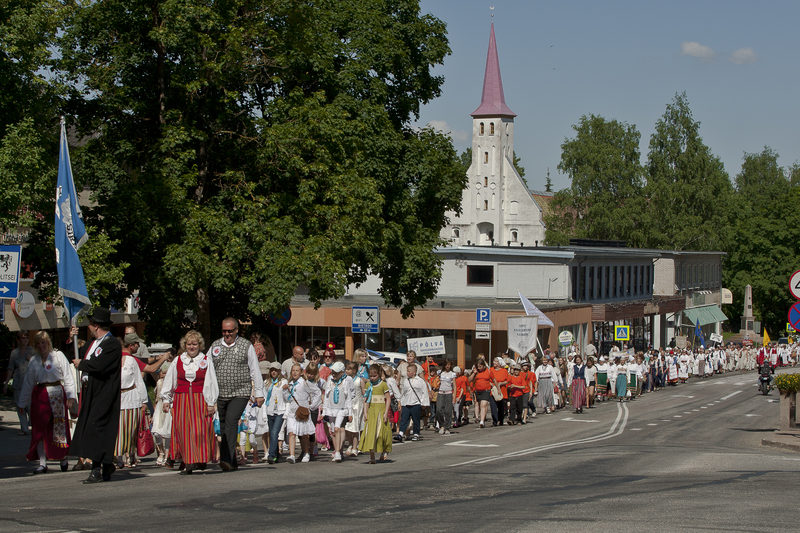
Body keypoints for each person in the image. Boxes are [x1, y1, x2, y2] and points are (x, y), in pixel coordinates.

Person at [69, 307, 122, 484]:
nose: (89, 327)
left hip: (105, 391)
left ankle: (97, 468)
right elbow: (77, 356)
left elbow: (100, 365)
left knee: (97, 428)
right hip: (91, 389)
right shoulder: (94, 343)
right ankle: (106, 464)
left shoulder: (112, 344)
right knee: (92, 427)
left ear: (96, 326)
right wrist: (72, 338)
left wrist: (82, 364)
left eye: (90, 324)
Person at [17, 331, 77, 474]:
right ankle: (42, 463)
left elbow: (68, 377)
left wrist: (70, 396)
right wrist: (21, 404)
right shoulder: (34, 360)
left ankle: (62, 457)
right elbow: (28, 383)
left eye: (43, 342)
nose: (41, 346)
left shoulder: (58, 356)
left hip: (57, 392)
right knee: (39, 429)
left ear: (48, 343)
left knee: (58, 427)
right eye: (38, 343)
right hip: (40, 395)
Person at [209, 317, 264, 472]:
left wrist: (259, 393)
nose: (227, 334)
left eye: (230, 331)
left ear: (236, 330)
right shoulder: (215, 346)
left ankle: (225, 458)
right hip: (221, 392)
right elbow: (208, 368)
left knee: (232, 421)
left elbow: (255, 370)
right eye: (224, 331)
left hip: (240, 391)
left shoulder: (246, 345)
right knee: (224, 424)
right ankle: (232, 460)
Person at [160, 330, 218, 474]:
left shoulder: (205, 360)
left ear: (200, 345)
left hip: (199, 399)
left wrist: (211, 402)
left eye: (195, 344)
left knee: (200, 430)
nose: (192, 347)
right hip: (182, 399)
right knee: (184, 430)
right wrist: (166, 399)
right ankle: (188, 461)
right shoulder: (178, 360)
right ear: (184, 345)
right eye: (189, 344)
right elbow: (170, 381)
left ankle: (201, 458)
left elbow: (210, 382)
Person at [116, 334, 149, 468]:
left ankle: (131, 456)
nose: (139, 346)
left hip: (131, 397)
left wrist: (143, 401)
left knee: (131, 428)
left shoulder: (132, 361)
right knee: (119, 430)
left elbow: (138, 381)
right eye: (137, 344)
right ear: (131, 345)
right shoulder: (115, 359)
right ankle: (119, 457)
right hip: (118, 398)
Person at [283, 363, 321, 464]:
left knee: (304, 434)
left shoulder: (305, 383)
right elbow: (287, 398)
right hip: (292, 411)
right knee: (291, 433)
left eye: (297, 371)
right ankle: (291, 455)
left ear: (301, 373)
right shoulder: (290, 383)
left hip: (302, 412)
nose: (295, 372)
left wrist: (312, 406)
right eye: (293, 371)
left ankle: (307, 453)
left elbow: (317, 392)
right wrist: (285, 390)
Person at [359, 364, 392, 463]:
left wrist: (386, 413)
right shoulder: (368, 385)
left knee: (381, 434)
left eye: (374, 376)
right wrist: (365, 412)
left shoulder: (383, 384)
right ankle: (372, 456)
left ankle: (384, 451)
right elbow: (366, 400)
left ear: (379, 374)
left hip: (381, 411)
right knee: (371, 434)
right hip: (372, 412)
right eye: (371, 376)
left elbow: (388, 399)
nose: (372, 378)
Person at [322, 361, 352, 462]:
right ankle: (336, 450)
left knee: (337, 428)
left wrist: (350, 413)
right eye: (333, 371)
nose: (334, 374)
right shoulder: (330, 380)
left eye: (337, 372)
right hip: (331, 409)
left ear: (342, 372)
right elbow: (326, 396)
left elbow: (349, 398)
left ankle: (339, 453)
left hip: (341, 409)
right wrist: (324, 411)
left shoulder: (346, 381)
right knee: (333, 432)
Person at [5, 330, 34, 436]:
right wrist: (6, 382)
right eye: (22, 338)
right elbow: (10, 368)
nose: (25, 340)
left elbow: (40, 365)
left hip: (30, 383)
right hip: (18, 383)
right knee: (20, 406)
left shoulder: (33, 351)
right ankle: (24, 428)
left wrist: (31, 359)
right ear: (18, 339)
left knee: (30, 406)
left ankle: (33, 425)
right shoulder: (14, 353)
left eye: (26, 337)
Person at [263, 362, 287, 464]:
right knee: (272, 433)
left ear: (279, 371)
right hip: (270, 410)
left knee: (274, 433)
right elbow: (265, 398)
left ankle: (271, 455)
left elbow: (287, 398)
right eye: (272, 370)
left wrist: (286, 390)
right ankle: (276, 454)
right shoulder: (266, 383)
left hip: (280, 410)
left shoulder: (283, 382)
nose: (274, 372)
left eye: (275, 370)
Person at [398, 363, 429, 441]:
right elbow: (403, 393)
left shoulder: (420, 381)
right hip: (406, 403)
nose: (407, 373)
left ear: (414, 372)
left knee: (416, 419)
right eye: (407, 371)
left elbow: (424, 392)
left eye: (409, 371)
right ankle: (401, 433)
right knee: (404, 419)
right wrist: (401, 402)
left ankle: (416, 434)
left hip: (416, 403)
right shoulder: (405, 381)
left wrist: (424, 403)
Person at [344, 361, 364, 456]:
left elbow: (364, 393)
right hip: (348, 406)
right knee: (347, 427)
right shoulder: (345, 380)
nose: (346, 371)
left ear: (354, 370)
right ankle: (350, 444)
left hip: (357, 406)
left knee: (355, 427)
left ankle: (355, 447)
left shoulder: (359, 380)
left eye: (348, 369)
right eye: (346, 369)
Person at [469, 358, 492, 428]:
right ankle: (482, 418)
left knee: (484, 404)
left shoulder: (488, 371)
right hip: (478, 391)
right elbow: (469, 380)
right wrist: (474, 373)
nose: (479, 368)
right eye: (478, 367)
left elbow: (493, 379)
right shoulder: (476, 372)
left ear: (483, 366)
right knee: (480, 405)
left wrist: (497, 388)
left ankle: (482, 421)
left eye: (480, 366)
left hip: (486, 390)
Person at [436, 359, 456, 435]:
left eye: (449, 364)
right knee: (438, 409)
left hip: (448, 393)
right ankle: (442, 425)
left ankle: (447, 427)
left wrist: (454, 396)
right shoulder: (440, 373)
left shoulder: (452, 374)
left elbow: (454, 385)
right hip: (441, 393)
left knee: (448, 411)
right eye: (446, 364)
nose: (447, 366)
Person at [489, 356, 510, 426]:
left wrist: (501, 383)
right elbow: (488, 379)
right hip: (493, 390)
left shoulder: (504, 371)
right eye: (493, 361)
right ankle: (494, 420)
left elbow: (507, 381)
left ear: (499, 363)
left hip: (502, 391)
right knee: (493, 406)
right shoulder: (491, 370)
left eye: (496, 361)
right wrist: (492, 385)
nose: (494, 363)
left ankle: (501, 420)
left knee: (501, 407)